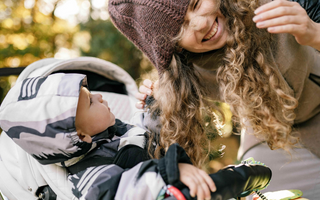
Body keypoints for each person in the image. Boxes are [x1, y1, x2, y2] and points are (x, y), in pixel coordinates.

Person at [108, 0, 320, 198]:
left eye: (196, 4)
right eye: (180, 28)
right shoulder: (186, 71)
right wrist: (155, 109)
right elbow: (154, 150)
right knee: (254, 187)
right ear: (174, 47)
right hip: (273, 132)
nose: (200, 24)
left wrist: (314, 33)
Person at [0, 73, 272, 200]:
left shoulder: (113, 134)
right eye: (91, 102)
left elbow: (147, 138)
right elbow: (123, 190)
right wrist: (168, 171)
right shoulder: (86, 176)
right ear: (78, 136)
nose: (99, 96)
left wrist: (155, 107)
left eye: (92, 92)